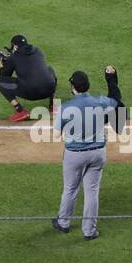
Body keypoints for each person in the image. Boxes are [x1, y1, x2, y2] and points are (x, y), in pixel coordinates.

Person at [52, 68, 125, 241]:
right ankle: (89, 231)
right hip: (98, 154)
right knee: (92, 192)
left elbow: (56, 135)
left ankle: (63, 223)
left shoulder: (66, 107)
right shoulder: (100, 101)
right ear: (87, 85)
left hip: (74, 154)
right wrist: (111, 79)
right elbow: (117, 101)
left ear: (73, 87)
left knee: (70, 189)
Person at [0, 34, 58, 123]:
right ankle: (54, 105)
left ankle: (20, 111)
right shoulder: (37, 51)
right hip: (49, 89)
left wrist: (2, 66)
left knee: (0, 82)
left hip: (32, 93)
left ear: (15, 46)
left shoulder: (14, 57)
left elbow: (4, 75)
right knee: (49, 70)